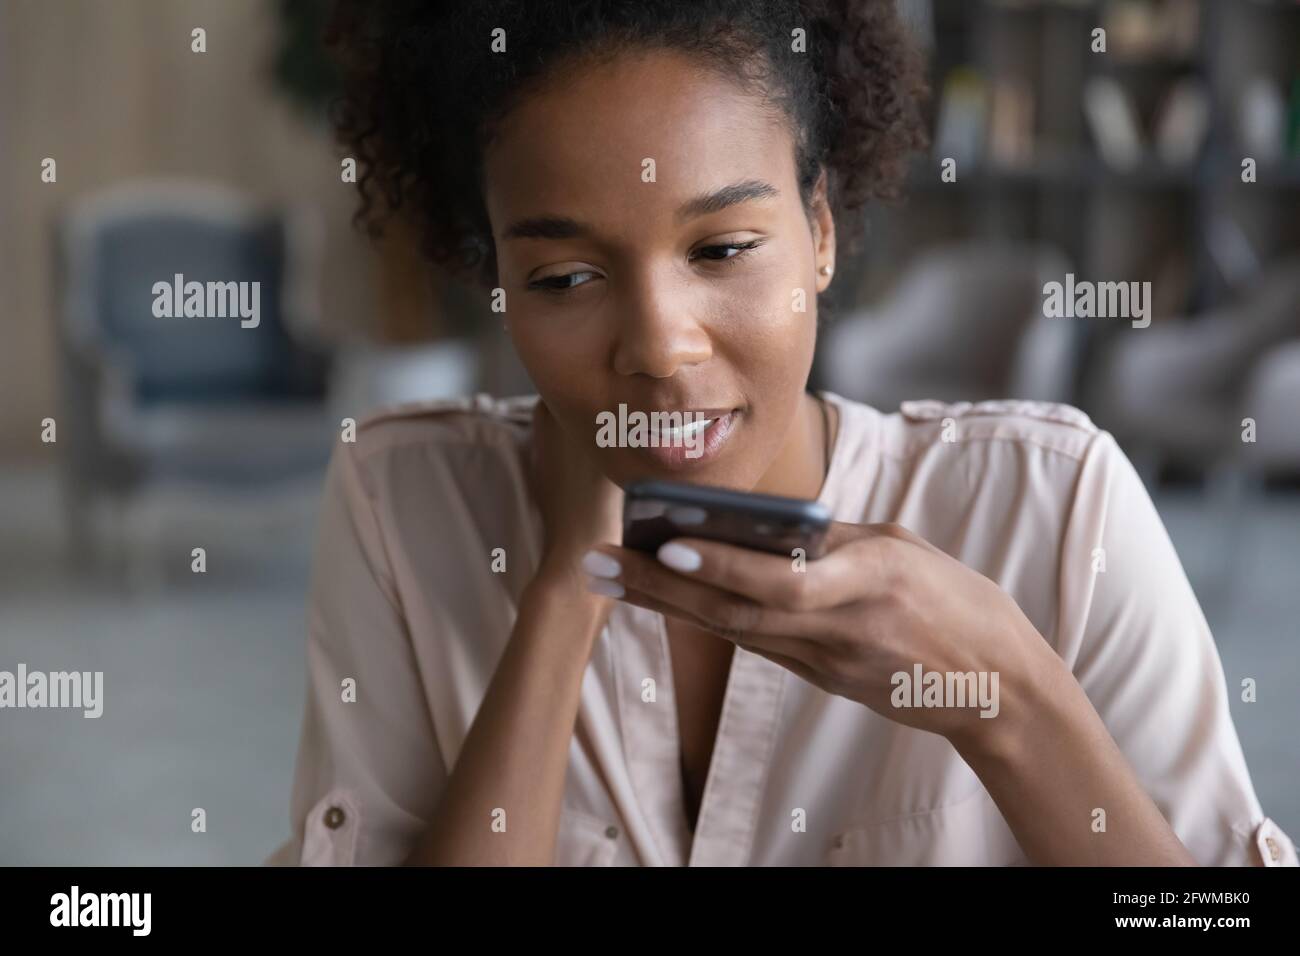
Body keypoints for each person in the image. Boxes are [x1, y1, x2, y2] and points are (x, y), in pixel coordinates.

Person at [266, 0, 1295, 866]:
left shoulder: (1054, 509)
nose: (660, 347)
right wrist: (556, 603)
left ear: (821, 235)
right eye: (564, 277)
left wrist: (1006, 697)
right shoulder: (404, 500)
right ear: (497, 282)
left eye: (720, 248)